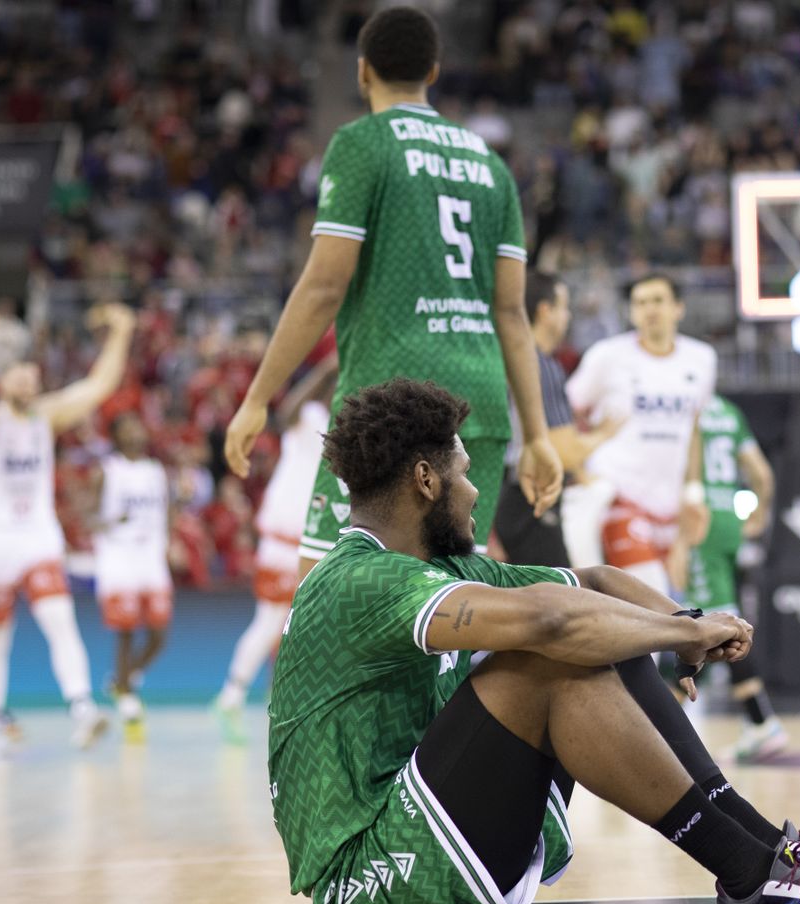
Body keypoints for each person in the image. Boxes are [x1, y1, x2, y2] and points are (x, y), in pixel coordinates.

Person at [269, 379, 800, 904]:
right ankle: (753, 886)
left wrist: (681, 624)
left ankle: (771, 859)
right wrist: (682, 632)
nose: (475, 491)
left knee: (594, 631)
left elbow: (594, 582)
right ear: (425, 479)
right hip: (372, 888)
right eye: (466, 473)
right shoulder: (358, 580)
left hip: (415, 846)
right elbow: (553, 625)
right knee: (553, 661)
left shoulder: (430, 567)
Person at [222, 5, 562, 575]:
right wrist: (538, 435)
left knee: (327, 598)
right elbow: (511, 312)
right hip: (476, 406)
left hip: (388, 403)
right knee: (448, 606)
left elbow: (325, 285)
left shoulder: (364, 143)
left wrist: (257, 398)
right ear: (433, 71)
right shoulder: (491, 165)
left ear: (362, 72)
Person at [0, 303, 135, 756]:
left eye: (32, 372)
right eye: (17, 374)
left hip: (36, 538)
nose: (27, 378)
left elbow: (99, 385)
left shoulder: (46, 415)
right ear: (0, 380)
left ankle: (82, 707)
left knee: (59, 619)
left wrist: (121, 333)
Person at [564, 274, 715, 595]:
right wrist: (579, 468)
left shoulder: (701, 359)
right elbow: (565, 410)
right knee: (651, 598)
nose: (650, 309)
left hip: (669, 506)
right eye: (641, 302)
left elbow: (694, 429)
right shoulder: (607, 356)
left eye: (658, 301)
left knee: (673, 607)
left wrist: (693, 493)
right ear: (631, 312)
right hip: (619, 496)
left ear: (678, 308)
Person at [213, 357, 338, 743]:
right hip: (285, 540)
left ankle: (280, 706)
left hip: (318, 541)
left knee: (302, 629)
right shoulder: (309, 416)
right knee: (270, 622)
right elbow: (284, 412)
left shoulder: (345, 427)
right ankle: (230, 698)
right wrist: (326, 369)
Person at [491, 271, 621, 566]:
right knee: (562, 596)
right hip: (531, 496)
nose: (568, 316)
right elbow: (563, 453)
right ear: (545, 311)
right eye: (564, 307)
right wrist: (604, 434)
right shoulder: (542, 366)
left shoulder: (506, 359)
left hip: (504, 493)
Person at [680, 393, 783, 761]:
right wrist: (758, 516)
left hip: (698, 520)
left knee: (712, 624)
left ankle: (761, 721)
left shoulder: (679, 404)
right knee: (702, 620)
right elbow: (763, 476)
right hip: (728, 522)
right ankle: (666, 721)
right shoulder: (729, 410)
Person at [91, 413, 171, 743]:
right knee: (125, 631)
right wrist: (111, 519)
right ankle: (127, 701)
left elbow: (166, 511)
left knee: (158, 633)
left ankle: (122, 680)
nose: (136, 430)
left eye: (138, 424)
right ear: (117, 436)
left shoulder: (156, 471)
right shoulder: (107, 471)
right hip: (118, 556)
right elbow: (89, 518)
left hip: (150, 555)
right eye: (127, 427)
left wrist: (170, 540)